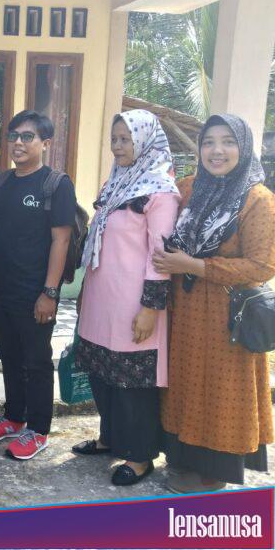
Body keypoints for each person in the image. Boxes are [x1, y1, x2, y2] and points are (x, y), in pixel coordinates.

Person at [153, 113, 275, 493]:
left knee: (221, 390)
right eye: (208, 142)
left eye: (227, 142)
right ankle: (182, 459)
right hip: (185, 311)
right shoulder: (189, 188)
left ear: (244, 147)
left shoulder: (258, 199)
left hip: (227, 316)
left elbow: (263, 265)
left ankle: (214, 472)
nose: (216, 151)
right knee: (185, 383)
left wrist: (194, 265)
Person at [71, 110, 180, 485]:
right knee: (102, 374)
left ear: (146, 141)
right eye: (114, 139)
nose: (118, 147)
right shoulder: (115, 183)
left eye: (126, 139)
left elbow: (160, 255)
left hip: (134, 303)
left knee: (133, 383)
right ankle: (110, 438)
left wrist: (150, 307)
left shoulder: (160, 192)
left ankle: (139, 455)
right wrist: (84, 293)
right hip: (100, 300)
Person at [0, 110, 76, 460]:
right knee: (9, 356)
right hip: (1, 288)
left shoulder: (56, 184)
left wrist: (50, 293)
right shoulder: (2, 182)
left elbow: (61, 240)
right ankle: (14, 418)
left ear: (45, 143)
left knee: (36, 361)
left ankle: (38, 430)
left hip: (35, 293)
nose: (18, 142)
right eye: (13, 136)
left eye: (27, 136)